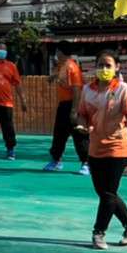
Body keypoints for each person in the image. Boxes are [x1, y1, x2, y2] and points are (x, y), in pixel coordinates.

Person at [74, 49, 127, 250]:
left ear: (116, 68)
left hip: (117, 147)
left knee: (108, 193)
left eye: (108, 65)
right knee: (104, 192)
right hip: (95, 147)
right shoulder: (87, 90)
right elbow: (82, 114)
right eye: (100, 65)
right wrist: (82, 126)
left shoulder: (123, 89)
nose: (104, 69)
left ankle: (98, 232)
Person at [43, 46, 90, 175]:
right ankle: (56, 160)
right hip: (63, 105)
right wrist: (53, 77)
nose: (56, 54)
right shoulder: (62, 65)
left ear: (61, 52)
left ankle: (86, 163)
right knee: (59, 134)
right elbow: (59, 75)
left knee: (79, 134)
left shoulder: (72, 67)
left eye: (57, 51)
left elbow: (76, 89)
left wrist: (74, 110)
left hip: (74, 104)